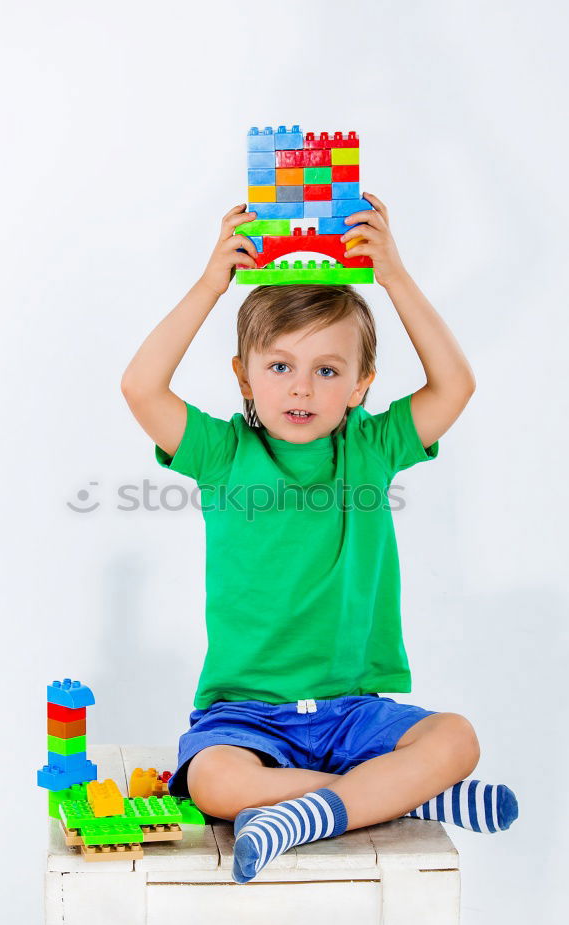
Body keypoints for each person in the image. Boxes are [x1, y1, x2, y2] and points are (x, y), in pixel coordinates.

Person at [121, 195, 519, 884]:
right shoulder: (223, 453)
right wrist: (212, 283)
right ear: (243, 375)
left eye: (327, 370)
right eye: (279, 367)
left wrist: (392, 276)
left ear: (362, 384)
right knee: (213, 780)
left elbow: (456, 383)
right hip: (248, 717)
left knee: (456, 737)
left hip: (354, 712)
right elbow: (140, 385)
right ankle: (391, 798)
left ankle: (317, 808)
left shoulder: (371, 446)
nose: (301, 388)